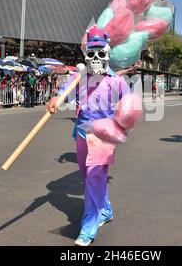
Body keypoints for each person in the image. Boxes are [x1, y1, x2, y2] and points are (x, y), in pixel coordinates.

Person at [47, 27, 131, 246]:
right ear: (85, 55)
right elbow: (64, 95)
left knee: (94, 177)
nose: (95, 58)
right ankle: (106, 211)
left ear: (108, 55)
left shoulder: (116, 82)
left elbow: (128, 106)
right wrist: (56, 101)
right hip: (82, 131)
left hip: (104, 135)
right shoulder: (79, 77)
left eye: (100, 53)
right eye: (91, 53)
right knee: (89, 178)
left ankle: (88, 228)